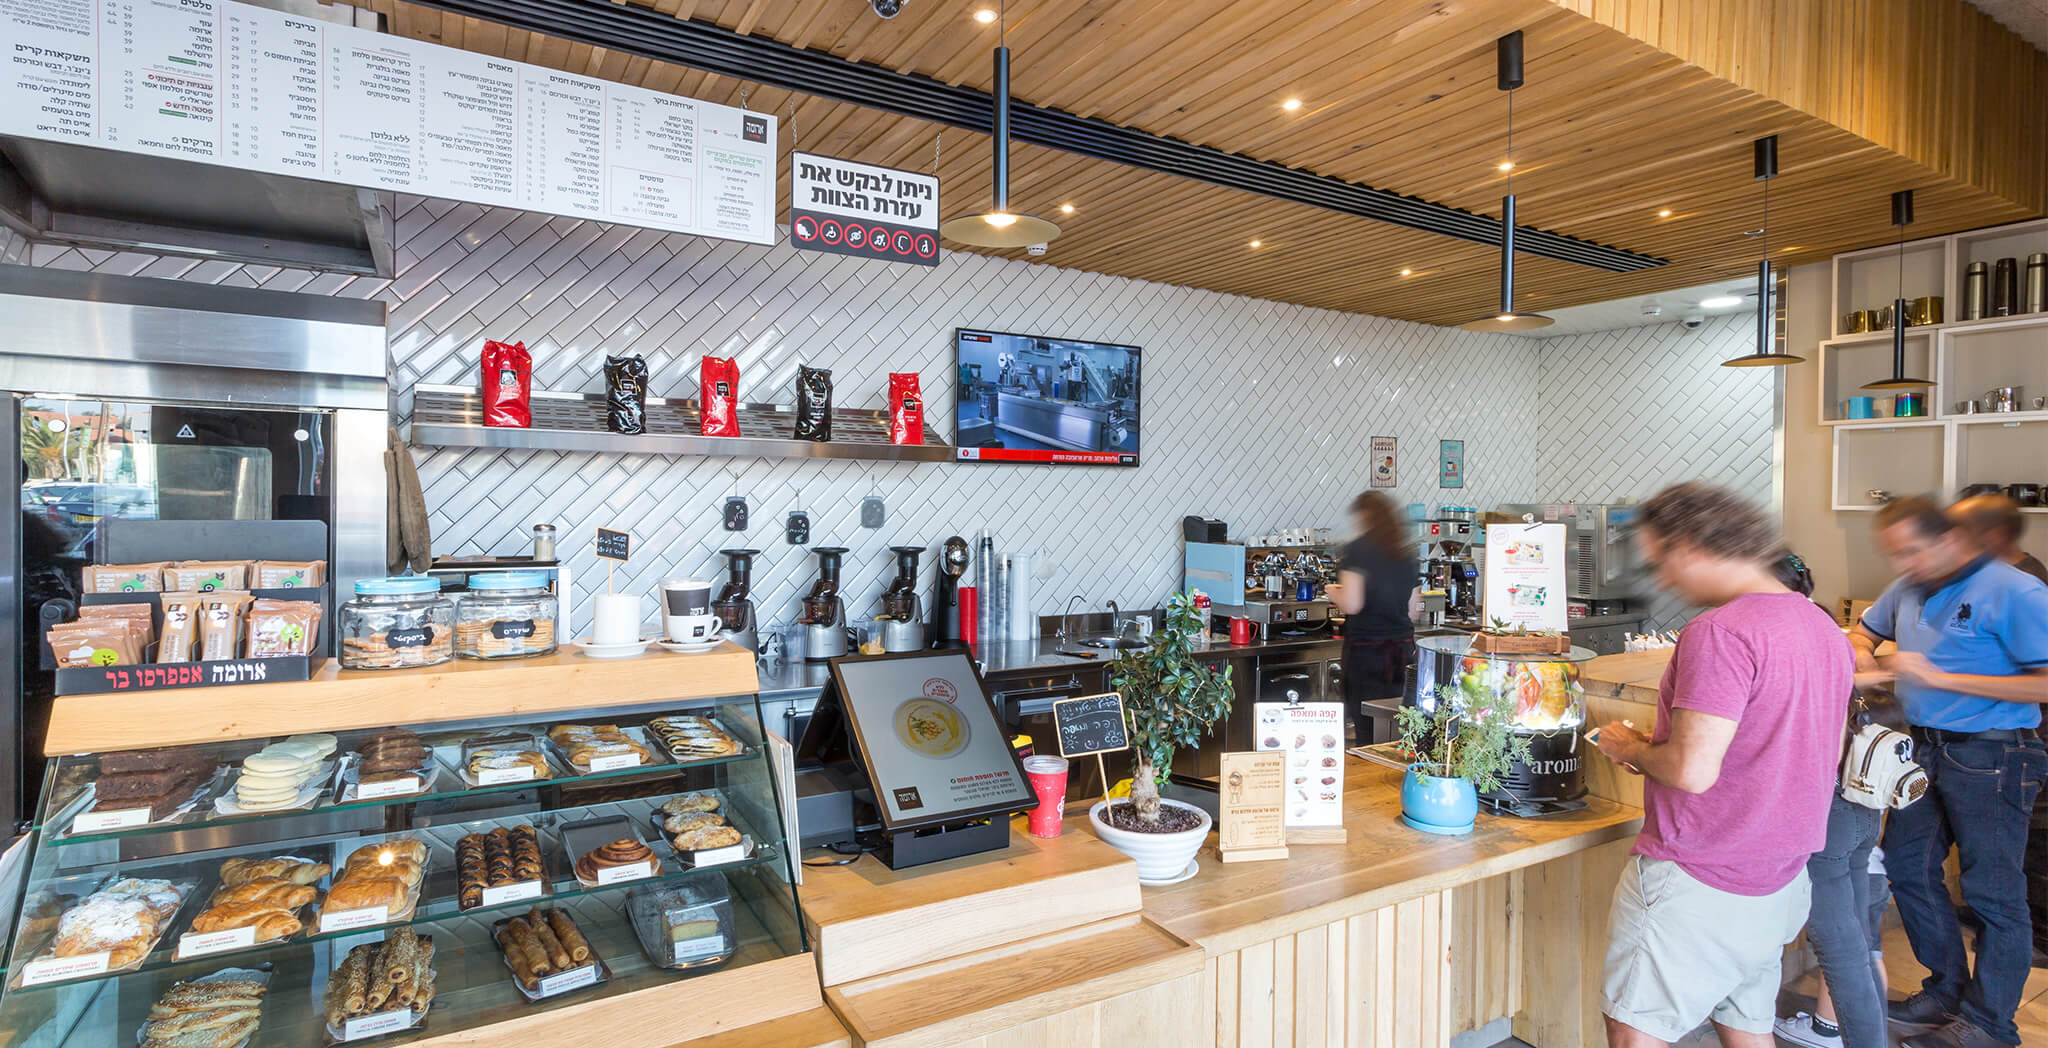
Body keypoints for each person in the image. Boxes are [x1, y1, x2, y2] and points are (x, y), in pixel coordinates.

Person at [1591, 483, 1852, 1048]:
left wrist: (1630, 748)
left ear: (1690, 546)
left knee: (1635, 1025)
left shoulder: (1720, 632)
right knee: (1747, 1023)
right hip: (1779, 878)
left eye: (1662, 562)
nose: (1664, 580)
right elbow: (1813, 753)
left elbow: (1692, 770)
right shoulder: (1820, 626)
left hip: (1701, 876)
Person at [1853, 496, 2048, 1048]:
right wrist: (1865, 655)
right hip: (1922, 751)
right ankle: (1946, 991)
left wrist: (1943, 678)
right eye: (1895, 554)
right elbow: (1863, 631)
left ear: (1951, 541)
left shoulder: (2017, 591)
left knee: (1993, 894)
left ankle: (1990, 1024)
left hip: (1994, 754)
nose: (1903, 564)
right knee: (1908, 870)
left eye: (1913, 551)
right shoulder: (1910, 587)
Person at [1769, 551, 1896, 1048]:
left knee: (1841, 947)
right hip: (1862, 811)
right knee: (1861, 945)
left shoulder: (1782, 636)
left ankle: (1846, 1036)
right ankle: (1855, 1033)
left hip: (1829, 813)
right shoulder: (1825, 629)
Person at [1326, 491, 1418, 730]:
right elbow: (1413, 610)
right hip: (1402, 654)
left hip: (1368, 657)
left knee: (1367, 727)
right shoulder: (1405, 552)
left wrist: (1331, 590)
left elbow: (1352, 603)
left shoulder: (1358, 550)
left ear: (1365, 516)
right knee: (1398, 726)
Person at [1948, 493, 2048, 586]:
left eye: (1961, 533)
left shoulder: (2024, 583)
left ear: (1996, 536)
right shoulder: (1986, 571)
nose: (1951, 540)